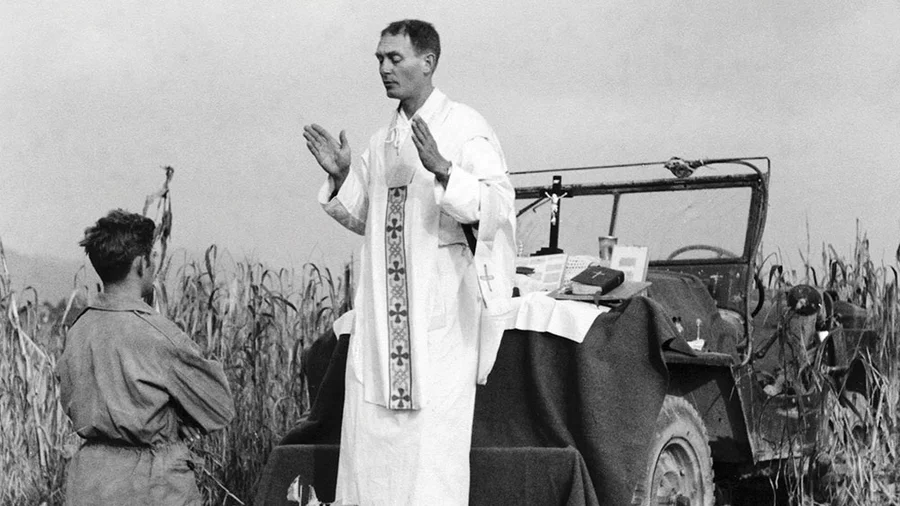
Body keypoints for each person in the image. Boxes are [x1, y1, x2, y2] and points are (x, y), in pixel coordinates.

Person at [302, 18, 517, 506]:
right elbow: (369, 219)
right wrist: (342, 177)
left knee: (429, 459)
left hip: (436, 326)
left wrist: (445, 171)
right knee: (370, 452)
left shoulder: (466, 128)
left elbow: (498, 211)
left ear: (429, 61)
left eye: (394, 58)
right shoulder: (382, 142)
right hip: (381, 327)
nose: (383, 68)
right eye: (379, 58)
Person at [57, 210, 235, 505]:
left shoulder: (78, 329)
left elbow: (70, 399)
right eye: (152, 257)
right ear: (141, 264)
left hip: (89, 483)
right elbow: (219, 407)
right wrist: (171, 421)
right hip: (153, 486)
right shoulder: (157, 334)